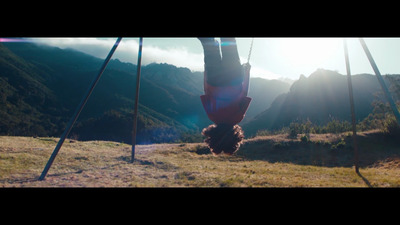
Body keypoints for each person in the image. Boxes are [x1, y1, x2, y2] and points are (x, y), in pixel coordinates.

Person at [198, 37, 252, 155]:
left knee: (229, 43)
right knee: (208, 45)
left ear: (234, 137)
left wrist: (247, 73)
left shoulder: (237, 117)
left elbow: (244, 93)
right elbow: (206, 90)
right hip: (214, 78)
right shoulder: (212, 116)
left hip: (234, 77)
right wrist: (206, 72)